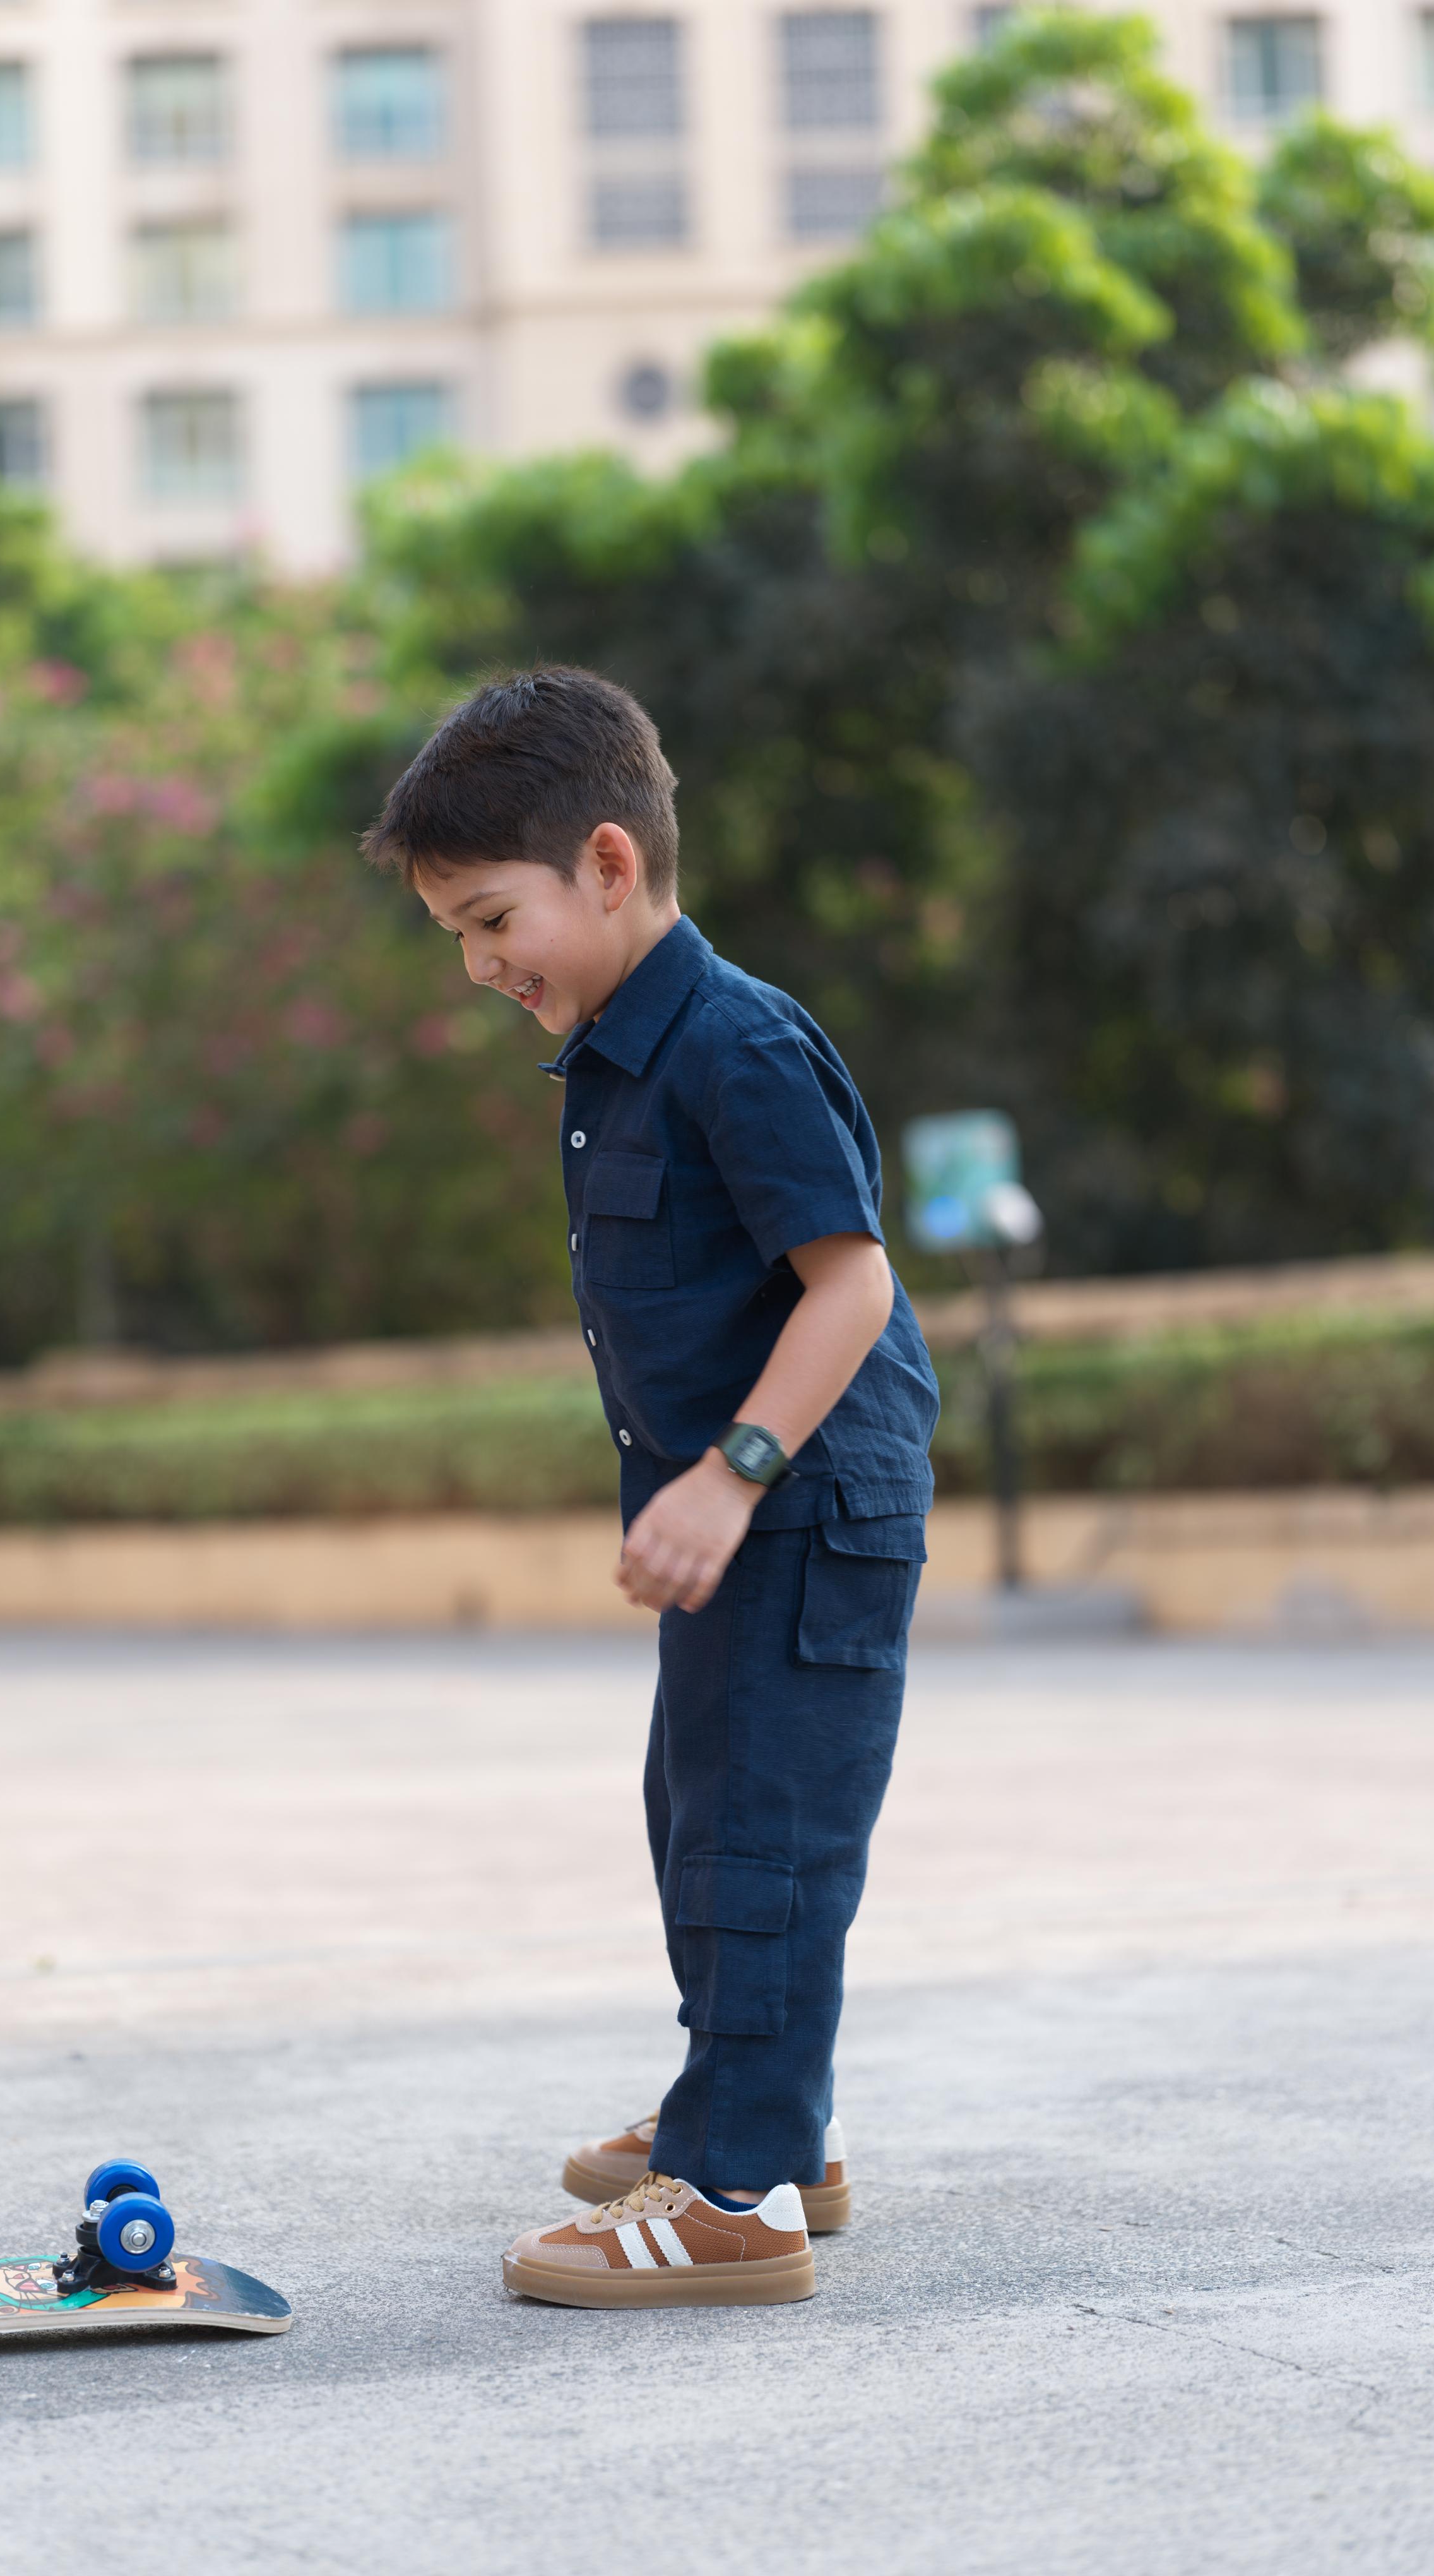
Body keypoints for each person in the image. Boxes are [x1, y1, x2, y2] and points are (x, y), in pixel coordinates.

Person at [365, 668, 939, 2308]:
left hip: (803, 1511)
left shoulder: (735, 1045)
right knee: (698, 1816)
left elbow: (851, 1286)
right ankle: (763, 2119)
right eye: (455, 935)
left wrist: (733, 1474)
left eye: (494, 920)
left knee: (759, 1842)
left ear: (608, 865)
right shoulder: (625, 1050)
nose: (480, 966)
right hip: (748, 1521)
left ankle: (736, 2197)